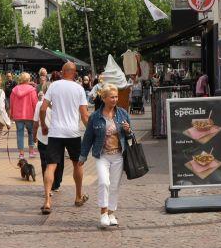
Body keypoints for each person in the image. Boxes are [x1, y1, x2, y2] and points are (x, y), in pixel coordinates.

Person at [39, 61, 90, 215]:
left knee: (51, 166)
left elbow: (43, 108)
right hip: (72, 133)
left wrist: (43, 125)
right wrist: (91, 133)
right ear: (74, 73)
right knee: (78, 164)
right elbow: (84, 115)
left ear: (62, 72)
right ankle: (78, 196)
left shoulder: (54, 86)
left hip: (55, 132)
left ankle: (47, 201)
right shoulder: (79, 88)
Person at [79, 83, 132, 229]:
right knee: (104, 183)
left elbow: (130, 136)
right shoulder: (95, 117)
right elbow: (88, 137)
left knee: (114, 185)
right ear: (104, 98)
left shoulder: (122, 113)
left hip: (118, 155)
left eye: (116, 97)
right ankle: (103, 213)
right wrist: (82, 157)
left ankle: (111, 213)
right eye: (111, 97)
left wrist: (128, 131)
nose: (115, 100)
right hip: (101, 155)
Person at [10, 72, 39, 161]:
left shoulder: (14, 90)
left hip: (18, 115)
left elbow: (11, 103)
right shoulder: (32, 90)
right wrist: (37, 114)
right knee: (30, 132)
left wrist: (11, 113)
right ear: (28, 79)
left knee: (19, 133)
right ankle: (31, 151)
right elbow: (35, 103)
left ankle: (21, 153)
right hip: (29, 114)